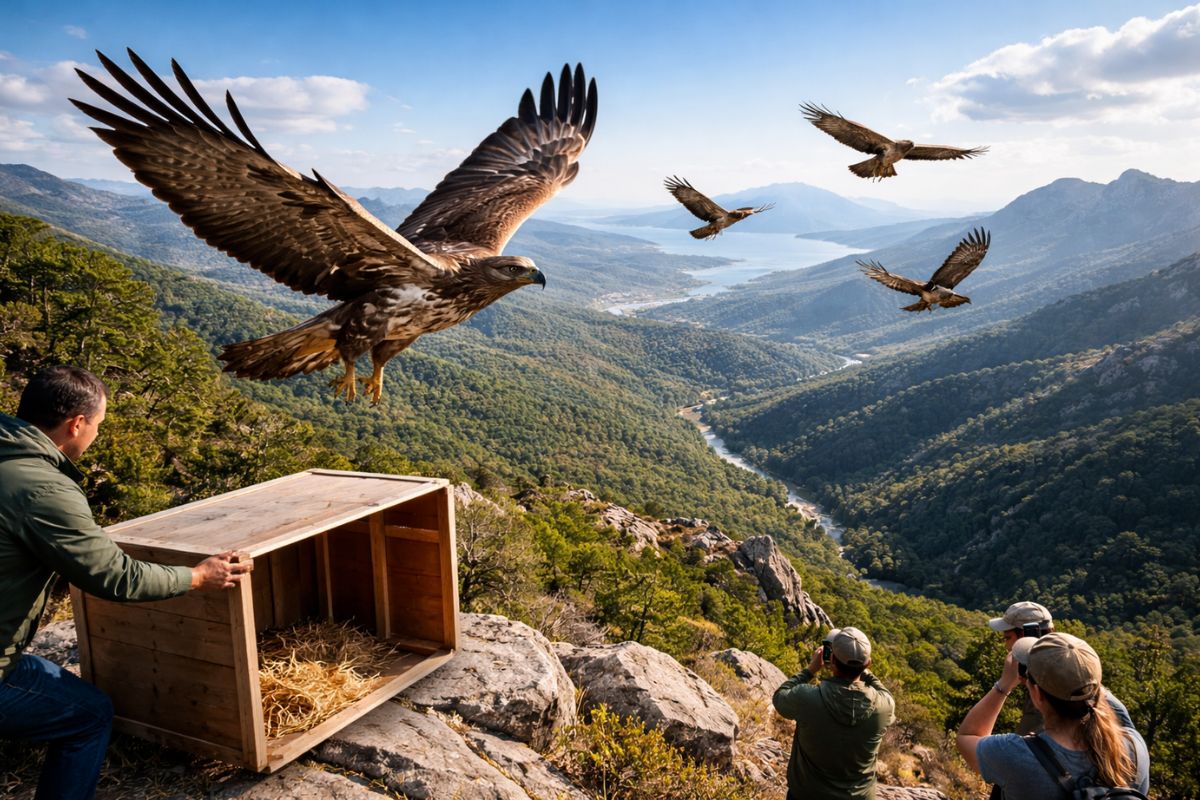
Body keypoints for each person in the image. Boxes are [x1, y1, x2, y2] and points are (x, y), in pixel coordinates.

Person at [0, 365, 254, 800]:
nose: (96, 434)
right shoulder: (43, 489)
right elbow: (115, 577)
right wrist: (197, 575)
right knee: (90, 716)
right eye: (97, 425)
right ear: (76, 424)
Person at [956, 632, 1150, 798]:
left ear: (1037, 695)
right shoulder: (1134, 747)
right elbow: (1108, 705)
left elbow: (967, 736)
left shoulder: (1013, 756)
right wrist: (1078, 672)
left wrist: (1004, 684)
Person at [772, 626, 896, 800]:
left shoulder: (808, 699)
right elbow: (886, 693)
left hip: (807, 794)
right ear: (868, 663)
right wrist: (862, 669)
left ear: (831, 659)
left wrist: (810, 670)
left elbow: (779, 697)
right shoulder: (884, 707)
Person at [989, 600, 1055, 736]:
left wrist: (1003, 685)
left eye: (1007, 638)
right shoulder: (1073, 680)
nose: (1006, 647)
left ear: (1026, 638)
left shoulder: (1042, 701)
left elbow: (968, 738)